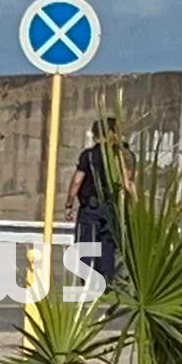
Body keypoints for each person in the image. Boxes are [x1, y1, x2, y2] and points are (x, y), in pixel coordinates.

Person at [64, 119, 131, 283]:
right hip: (111, 207)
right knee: (107, 246)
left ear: (95, 135)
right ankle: (106, 281)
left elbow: (77, 181)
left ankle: (88, 281)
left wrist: (69, 204)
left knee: (87, 244)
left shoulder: (89, 156)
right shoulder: (119, 156)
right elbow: (127, 183)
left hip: (91, 208)